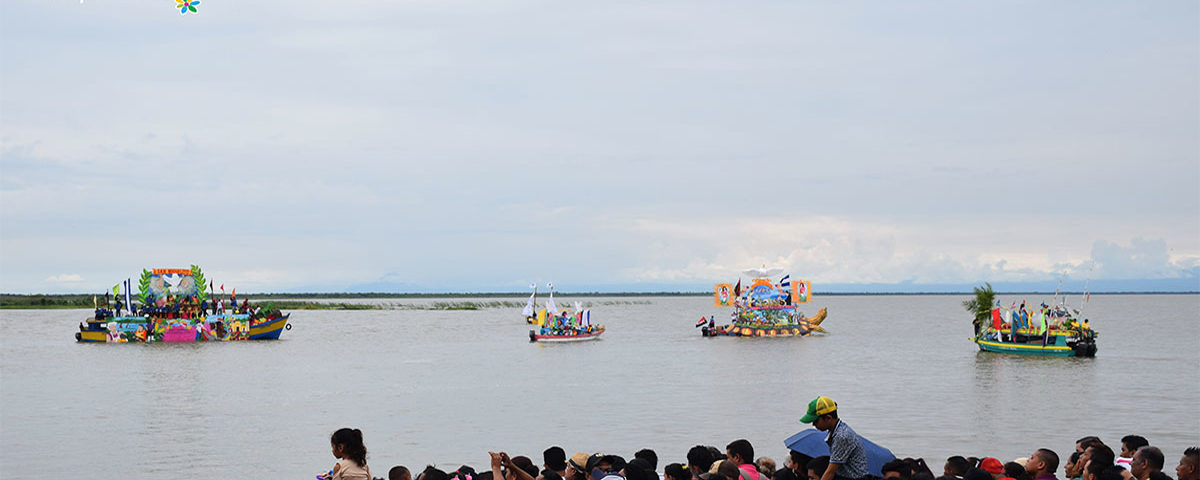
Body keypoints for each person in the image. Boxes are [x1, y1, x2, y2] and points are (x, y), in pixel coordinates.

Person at [800, 396, 869, 480]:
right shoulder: (835, 431)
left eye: (816, 421)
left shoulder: (842, 436)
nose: (813, 424)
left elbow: (830, 472)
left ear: (828, 418)